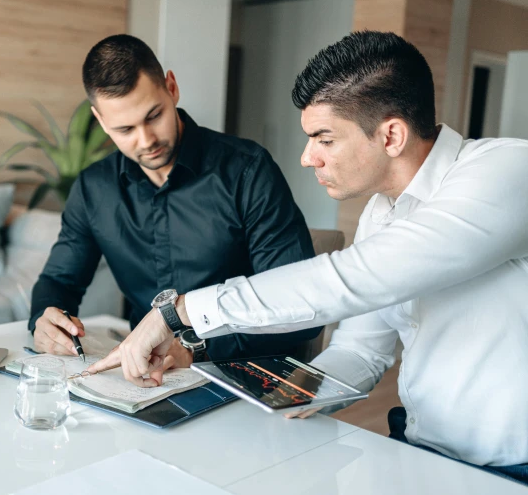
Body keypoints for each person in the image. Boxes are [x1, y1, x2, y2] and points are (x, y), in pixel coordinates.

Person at [88, 31, 528, 482]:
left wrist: (180, 312)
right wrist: (293, 392)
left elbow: (353, 278)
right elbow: (361, 347)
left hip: (511, 468)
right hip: (419, 449)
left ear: (391, 134)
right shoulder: (382, 212)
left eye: (324, 139)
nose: (306, 157)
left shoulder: (508, 172)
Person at [29, 34, 321, 374]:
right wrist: (46, 318)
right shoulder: (95, 188)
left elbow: (301, 309)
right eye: (125, 129)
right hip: (146, 374)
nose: (146, 140)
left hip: (242, 372)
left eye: (154, 116)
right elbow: (60, 281)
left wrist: (195, 348)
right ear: (101, 120)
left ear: (171, 87)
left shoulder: (247, 171)